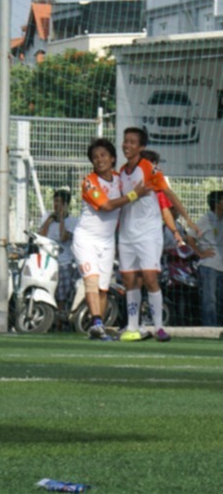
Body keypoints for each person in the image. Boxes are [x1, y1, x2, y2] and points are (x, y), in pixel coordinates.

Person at [117, 127, 197, 342]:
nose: (127, 145)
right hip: (126, 234)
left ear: (141, 147)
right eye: (126, 141)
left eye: (133, 142)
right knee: (129, 280)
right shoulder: (122, 171)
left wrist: (187, 219)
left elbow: (168, 193)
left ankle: (159, 327)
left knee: (150, 277)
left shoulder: (148, 168)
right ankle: (134, 326)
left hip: (148, 233)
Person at [72, 137, 150, 341]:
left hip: (107, 242)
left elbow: (137, 189)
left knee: (103, 288)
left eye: (103, 155)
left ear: (113, 158)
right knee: (91, 280)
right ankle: (96, 323)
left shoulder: (120, 179)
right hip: (86, 239)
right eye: (95, 157)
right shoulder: (89, 182)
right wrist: (134, 195)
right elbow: (107, 206)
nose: (99, 160)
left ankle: (100, 327)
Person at [38, 188, 77, 330]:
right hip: (47, 261)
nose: (56, 205)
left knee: (61, 295)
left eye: (60, 202)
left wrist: (61, 220)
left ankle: (60, 322)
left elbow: (63, 237)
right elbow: (41, 236)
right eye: (55, 201)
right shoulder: (47, 217)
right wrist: (49, 221)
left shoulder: (72, 221)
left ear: (66, 205)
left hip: (63, 262)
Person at [190, 190, 223, 326]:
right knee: (210, 299)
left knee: (220, 300)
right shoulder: (205, 219)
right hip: (209, 265)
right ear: (217, 204)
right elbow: (190, 237)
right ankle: (209, 329)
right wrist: (200, 253)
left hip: (221, 265)